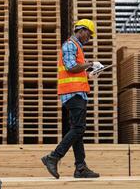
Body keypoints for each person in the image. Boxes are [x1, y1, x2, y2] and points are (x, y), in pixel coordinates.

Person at [41, 19, 103, 179]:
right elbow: (70, 66)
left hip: (77, 92)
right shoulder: (70, 45)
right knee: (79, 128)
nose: (89, 37)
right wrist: (90, 64)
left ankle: (80, 168)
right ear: (81, 30)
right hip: (73, 93)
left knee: (78, 130)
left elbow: (76, 71)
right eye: (88, 33)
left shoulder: (77, 48)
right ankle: (53, 156)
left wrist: (90, 74)